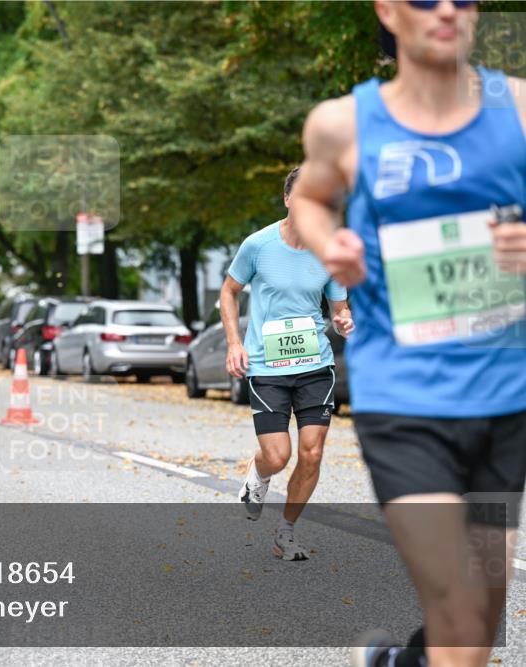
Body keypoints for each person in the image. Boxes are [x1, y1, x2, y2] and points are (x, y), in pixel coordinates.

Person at [290, 2, 526, 665]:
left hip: (504, 402)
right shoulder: (344, 124)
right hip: (405, 399)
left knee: (476, 623)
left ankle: (406, 660)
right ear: (389, 10)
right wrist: (328, 242)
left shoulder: (520, 112)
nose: (447, 9)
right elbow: (309, 198)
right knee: (456, 598)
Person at [224, 166, 353, 561]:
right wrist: (233, 343)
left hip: (314, 362)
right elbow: (229, 293)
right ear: (287, 200)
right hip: (266, 366)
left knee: (311, 453)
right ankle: (259, 472)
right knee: (278, 456)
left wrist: (344, 320)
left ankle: (286, 532)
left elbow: (339, 307)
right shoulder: (258, 245)